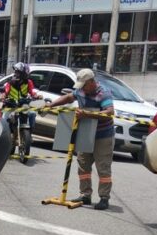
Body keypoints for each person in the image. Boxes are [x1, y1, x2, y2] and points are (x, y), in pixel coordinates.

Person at [45, 68, 114, 210]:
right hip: (86, 133)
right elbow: (70, 97)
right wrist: (50, 105)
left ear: (91, 82)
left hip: (103, 136)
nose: (81, 89)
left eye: (84, 85)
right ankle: (85, 195)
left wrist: (87, 114)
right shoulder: (82, 90)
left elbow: (109, 112)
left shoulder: (103, 93)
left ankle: (104, 198)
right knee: (83, 165)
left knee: (103, 168)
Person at [2, 62, 41, 131]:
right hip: (11, 106)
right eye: (15, 72)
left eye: (17, 72)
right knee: (4, 121)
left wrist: (37, 96)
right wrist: (3, 97)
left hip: (23, 105)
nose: (15, 74)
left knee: (32, 113)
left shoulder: (28, 82)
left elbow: (32, 92)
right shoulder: (10, 82)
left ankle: (30, 132)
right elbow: (5, 92)